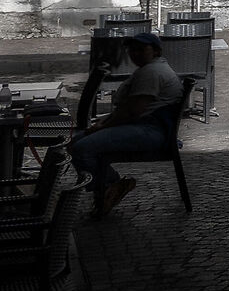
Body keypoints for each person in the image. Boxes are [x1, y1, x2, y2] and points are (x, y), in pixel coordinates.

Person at [70, 28, 184, 216]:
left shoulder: (152, 73)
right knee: (76, 142)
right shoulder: (148, 70)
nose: (135, 54)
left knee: (81, 148)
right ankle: (110, 186)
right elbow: (127, 109)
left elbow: (133, 111)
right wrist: (102, 125)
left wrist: (103, 126)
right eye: (133, 50)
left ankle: (108, 187)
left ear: (156, 51)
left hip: (151, 130)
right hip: (144, 126)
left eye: (141, 49)